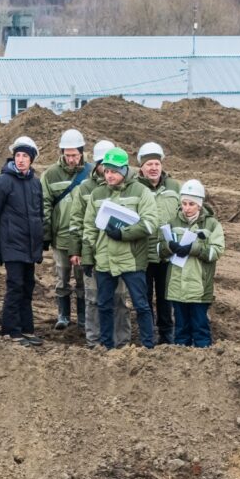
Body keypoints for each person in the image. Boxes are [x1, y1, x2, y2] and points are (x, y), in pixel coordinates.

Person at [81, 147, 158, 349]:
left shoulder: (141, 191)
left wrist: (123, 234)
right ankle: (106, 345)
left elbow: (150, 223)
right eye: (106, 171)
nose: (109, 175)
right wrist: (88, 257)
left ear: (124, 170)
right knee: (104, 304)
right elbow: (89, 228)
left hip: (131, 260)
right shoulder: (97, 194)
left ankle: (149, 346)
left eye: (114, 171)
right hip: (104, 260)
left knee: (141, 305)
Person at [64, 139, 132, 348]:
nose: (106, 169)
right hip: (93, 251)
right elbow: (76, 221)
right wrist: (77, 250)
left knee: (120, 299)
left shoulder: (125, 186)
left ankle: (121, 342)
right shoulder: (85, 188)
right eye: (102, 163)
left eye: (110, 165)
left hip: (119, 253)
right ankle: (94, 341)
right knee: (93, 298)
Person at [0, 136, 45, 347]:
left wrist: (40, 244)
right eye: (18, 155)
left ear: (31, 160)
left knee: (28, 287)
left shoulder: (35, 183)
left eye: (25, 156)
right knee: (15, 286)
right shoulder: (2, 183)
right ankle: (11, 329)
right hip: (11, 245)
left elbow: (40, 216)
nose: (21, 160)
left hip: (29, 247)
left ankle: (27, 329)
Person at [158, 180, 224, 347]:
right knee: (181, 329)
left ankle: (203, 361)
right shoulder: (173, 222)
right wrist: (169, 246)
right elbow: (159, 249)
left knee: (200, 328)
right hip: (177, 287)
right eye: (184, 203)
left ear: (200, 205)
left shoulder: (211, 225)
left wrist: (193, 249)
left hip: (199, 288)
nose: (187, 208)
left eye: (191, 204)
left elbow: (216, 250)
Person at [41, 129, 92, 330]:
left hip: (81, 237)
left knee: (82, 279)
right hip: (61, 237)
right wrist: (46, 233)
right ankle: (63, 315)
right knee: (62, 278)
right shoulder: (50, 174)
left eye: (74, 155)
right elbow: (44, 204)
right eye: (67, 155)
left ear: (81, 152)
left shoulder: (90, 172)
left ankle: (82, 317)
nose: (71, 159)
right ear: (61, 153)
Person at [136, 142, 181, 344]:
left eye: (156, 163)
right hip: (143, 254)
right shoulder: (135, 188)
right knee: (144, 298)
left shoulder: (174, 187)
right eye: (149, 164)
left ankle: (166, 334)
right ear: (141, 168)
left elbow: (184, 213)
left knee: (166, 297)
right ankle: (148, 336)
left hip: (166, 253)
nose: (153, 168)